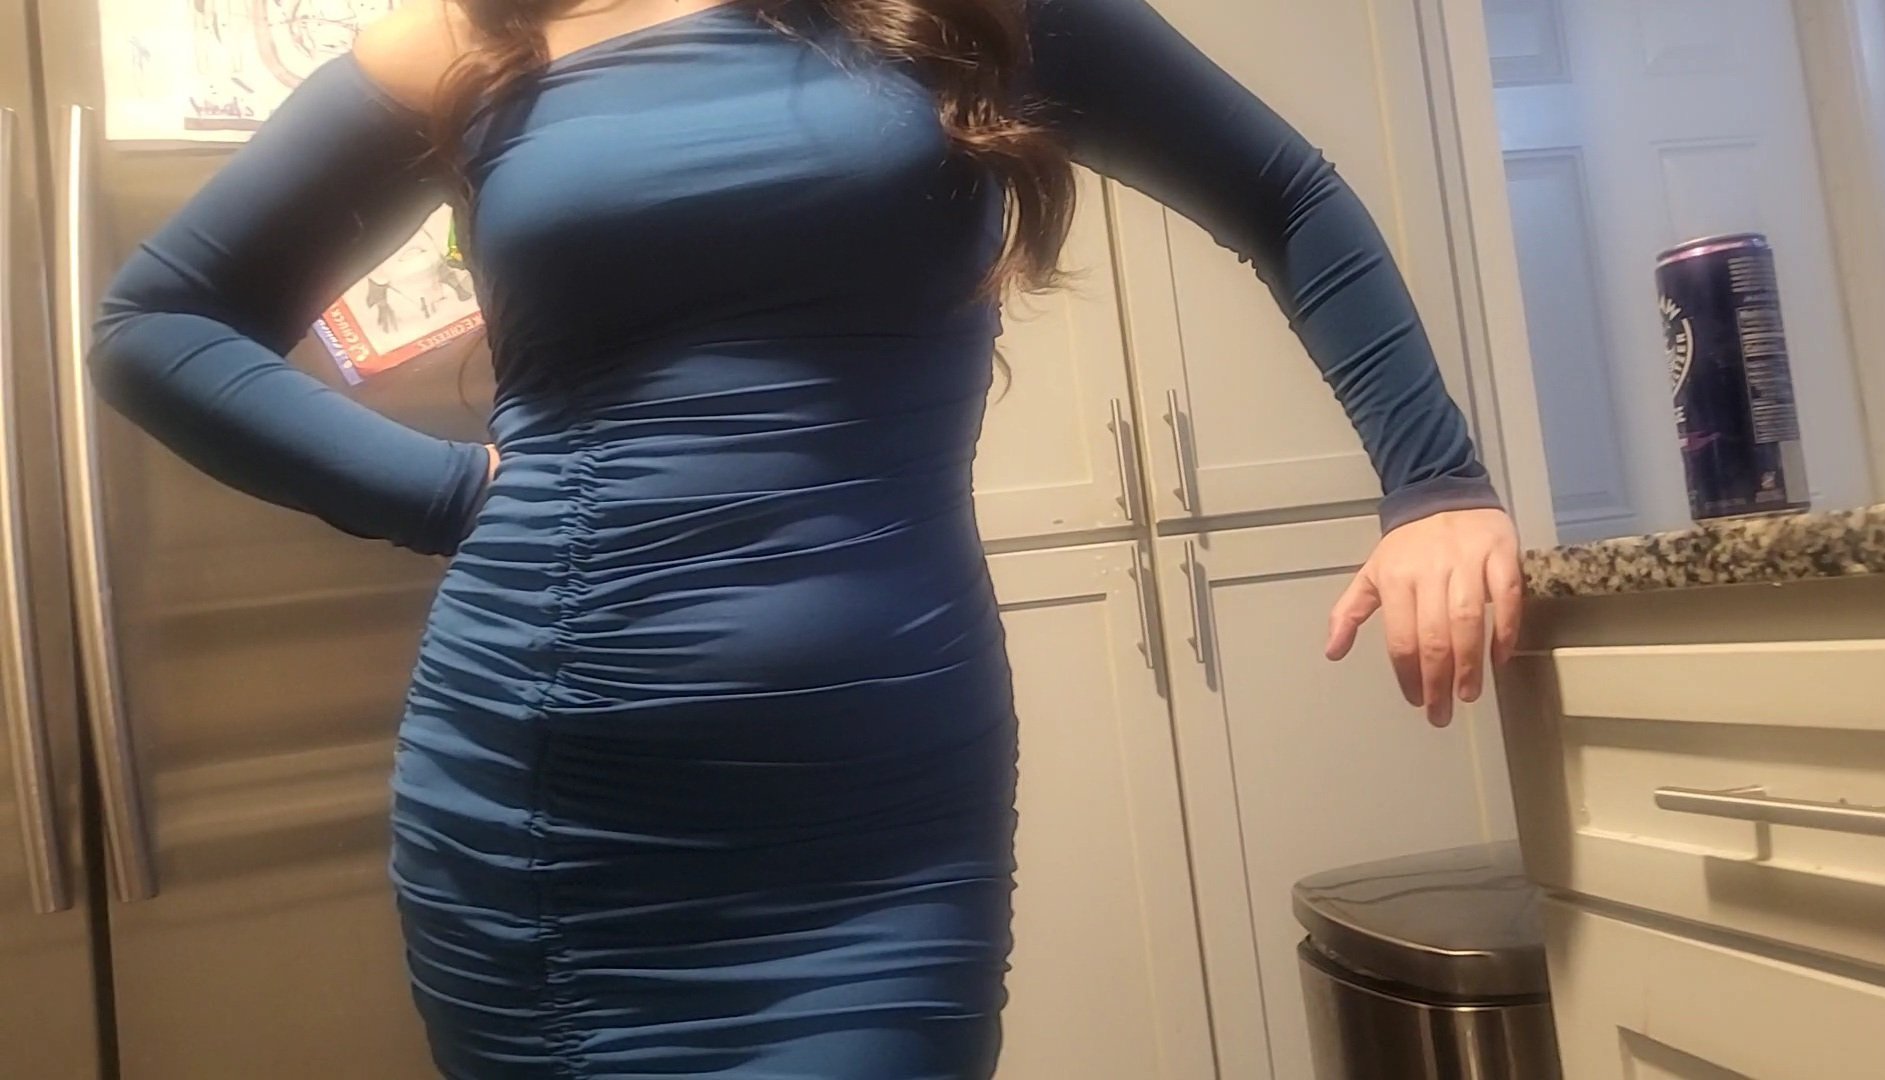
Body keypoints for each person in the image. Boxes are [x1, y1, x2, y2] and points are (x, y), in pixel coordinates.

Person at [88, 0, 1523, 1075]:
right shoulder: (480, 28)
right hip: (548, 814)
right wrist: (448, 496)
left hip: (877, 835)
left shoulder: (975, 9)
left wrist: (1436, 482)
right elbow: (158, 321)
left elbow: (1283, 190)